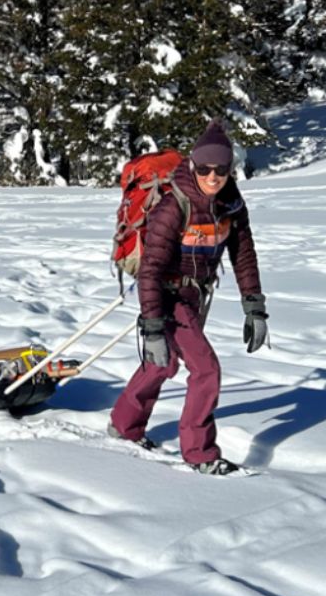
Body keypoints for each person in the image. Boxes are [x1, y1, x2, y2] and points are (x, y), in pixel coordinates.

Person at [108, 119, 268, 474]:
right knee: (206, 370)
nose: (213, 176)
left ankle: (123, 425)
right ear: (194, 165)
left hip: (195, 297)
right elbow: (150, 270)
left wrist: (254, 307)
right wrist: (152, 326)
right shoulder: (172, 207)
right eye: (206, 168)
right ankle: (200, 453)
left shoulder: (231, 206)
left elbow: (243, 255)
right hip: (165, 296)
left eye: (222, 169)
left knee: (162, 364)